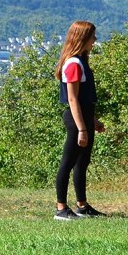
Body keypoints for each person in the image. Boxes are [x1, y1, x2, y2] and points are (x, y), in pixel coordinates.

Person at [52, 21, 107, 220]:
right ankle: (61, 208)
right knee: (68, 163)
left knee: (82, 163)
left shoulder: (81, 60)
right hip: (76, 121)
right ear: (83, 38)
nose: (95, 40)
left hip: (84, 118)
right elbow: (73, 99)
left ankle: (82, 206)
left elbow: (84, 99)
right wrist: (82, 129)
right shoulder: (73, 64)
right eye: (93, 36)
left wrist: (93, 120)